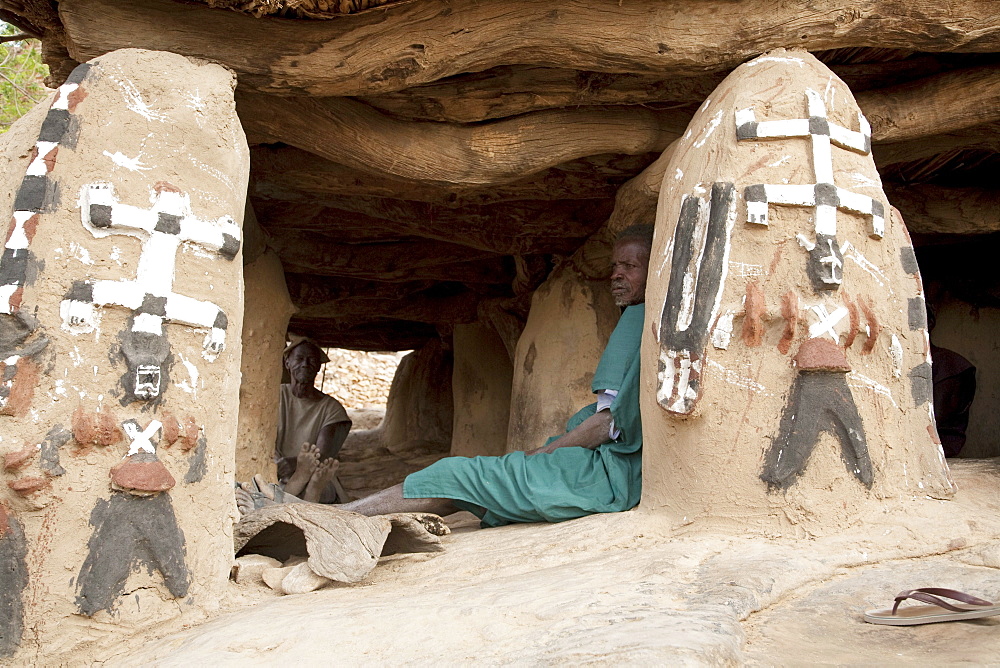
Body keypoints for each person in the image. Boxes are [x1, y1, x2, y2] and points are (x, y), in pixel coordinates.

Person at [239, 224, 653, 526]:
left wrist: (544, 454)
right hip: (615, 474)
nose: (616, 274)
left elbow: (608, 421)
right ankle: (323, 510)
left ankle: (333, 518)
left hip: (605, 478)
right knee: (477, 479)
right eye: (615, 265)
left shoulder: (636, 319)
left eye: (630, 267)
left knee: (453, 473)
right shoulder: (647, 322)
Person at [273, 336, 352, 502]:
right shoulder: (273, 395)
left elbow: (322, 455)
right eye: (299, 359)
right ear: (287, 363)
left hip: (313, 474)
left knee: (318, 489)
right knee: (264, 485)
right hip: (274, 470)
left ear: (318, 367)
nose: (305, 364)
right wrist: (277, 465)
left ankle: (306, 485)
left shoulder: (331, 409)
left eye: (311, 360)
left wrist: (297, 465)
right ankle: (304, 491)